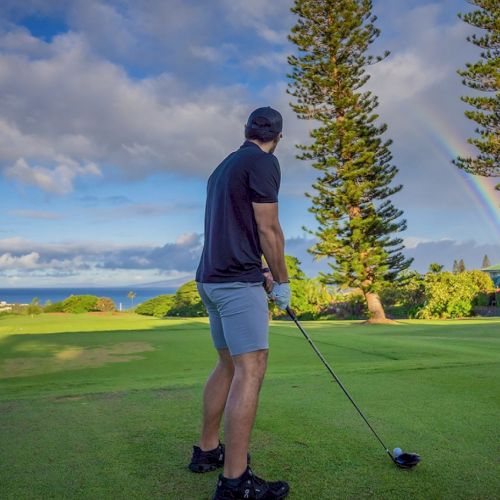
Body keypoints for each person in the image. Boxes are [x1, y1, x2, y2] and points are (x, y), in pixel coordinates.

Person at [190, 106, 291, 499]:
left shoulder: (223, 167)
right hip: (234, 285)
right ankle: (235, 482)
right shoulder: (264, 162)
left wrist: (259, 270)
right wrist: (282, 280)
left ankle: (207, 451)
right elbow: (268, 228)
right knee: (251, 370)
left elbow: (236, 228)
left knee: (227, 364)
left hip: (210, 279)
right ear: (278, 136)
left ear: (246, 130)